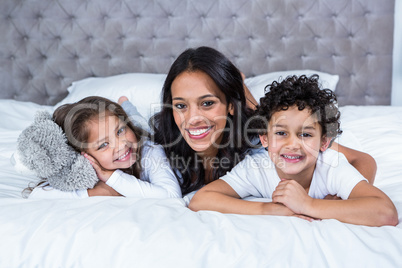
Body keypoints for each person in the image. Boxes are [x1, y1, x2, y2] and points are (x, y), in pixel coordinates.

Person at [148, 46, 377, 204]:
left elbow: (363, 160)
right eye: (180, 106)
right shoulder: (160, 148)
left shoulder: (266, 138)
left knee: (258, 114)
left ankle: (240, 84)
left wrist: (332, 203)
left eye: (207, 102)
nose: (193, 118)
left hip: (245, 118)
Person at [188, 75, 398, 227]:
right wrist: (268, 209)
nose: (292, 144)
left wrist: (309, 204)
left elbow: (386, 213)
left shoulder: (332, 165)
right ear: (264, 139)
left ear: (324, 142)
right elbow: (201, 199)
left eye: (304, 134)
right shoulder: (256, 167)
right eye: (281, 133)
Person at [28, 96, 181, 199]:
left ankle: (125, 103)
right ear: (83, 156)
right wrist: (98, 191)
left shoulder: (150, 150)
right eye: (103, 144)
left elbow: (172, 196)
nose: (121, 144)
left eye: (120, 130)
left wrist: (111, 179)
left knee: (139, 122)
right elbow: (37, 194)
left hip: (142, 134)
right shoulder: (82, 167)